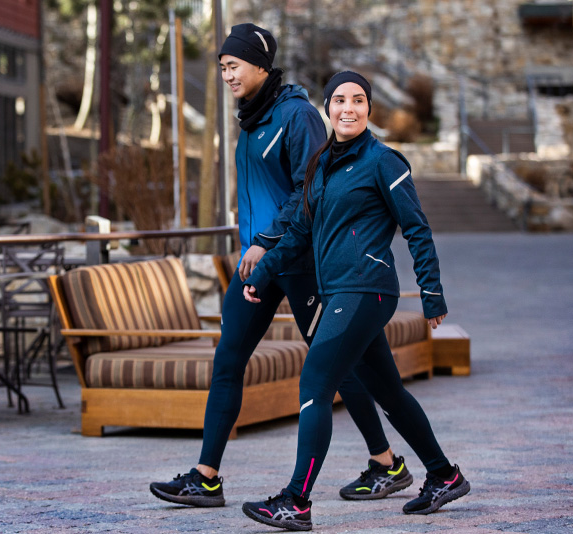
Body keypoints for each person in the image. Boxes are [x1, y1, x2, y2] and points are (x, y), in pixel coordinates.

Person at [150, 25, 412, 510]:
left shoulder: (297, 116)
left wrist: (269, 243)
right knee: (228, 360)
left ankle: (386, 462)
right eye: (223, 67)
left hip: (299, 261)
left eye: (234, 66)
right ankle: (206, 477)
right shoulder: (250, 120)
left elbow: (310, 189)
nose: (227, 74)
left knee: (340, 367)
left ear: (261, 66)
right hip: (259, 265)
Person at [239, 70, 471, 531]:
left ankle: (296, 501)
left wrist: (431, 292)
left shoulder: (383, 160)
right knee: (388, 391)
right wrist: (265, 271)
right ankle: (445, 475)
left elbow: (417, 228)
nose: (349, 107)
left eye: (359, 100)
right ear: (328, 109)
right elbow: (301, 230)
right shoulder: (322, 162)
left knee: (316, 384)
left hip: (367, 288)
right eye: (340, 99)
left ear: (369, 110)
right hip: (340, 290)